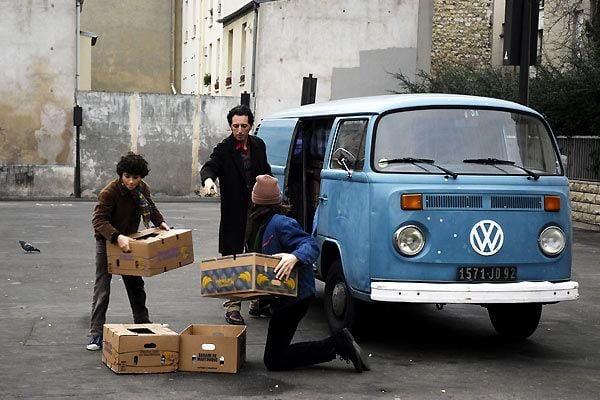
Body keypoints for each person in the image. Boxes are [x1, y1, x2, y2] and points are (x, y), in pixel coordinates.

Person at [246, 175, 371, 372]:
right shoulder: (260, 223)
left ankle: (338, 344)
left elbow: (310, 245)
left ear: (256, 200)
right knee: (275, 356)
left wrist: (294, 257)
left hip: (295, 298)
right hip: (283, 297)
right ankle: (337, 344)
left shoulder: (280, 223)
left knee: (274, 359)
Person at [86, 152, 170, 351]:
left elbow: (150, 205)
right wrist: (117, 237)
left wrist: (161, 223)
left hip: (131, 241)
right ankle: (96, 333)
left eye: (136, 177)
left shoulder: (142, 188)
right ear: (121, 175)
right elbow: (99, 221)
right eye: (127, 177)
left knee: (135, 284)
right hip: (107, 241)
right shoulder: (109, 192)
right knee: (102, 288)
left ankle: (143, 323)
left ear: (141, 177)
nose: (131, 181)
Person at [200, 104, 272, 325]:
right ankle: (232, 306)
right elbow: (209, 167)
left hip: (258, 210)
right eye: (235, 126)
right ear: (230, 126)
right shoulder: (224, 149)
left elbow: (266, 170)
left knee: (258, 253)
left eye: (243, 125)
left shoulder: (259, 145)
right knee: (233, 257)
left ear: (250, 125)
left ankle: (258, 301)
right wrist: (209, 181)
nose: (239, 130)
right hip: (234, 212)